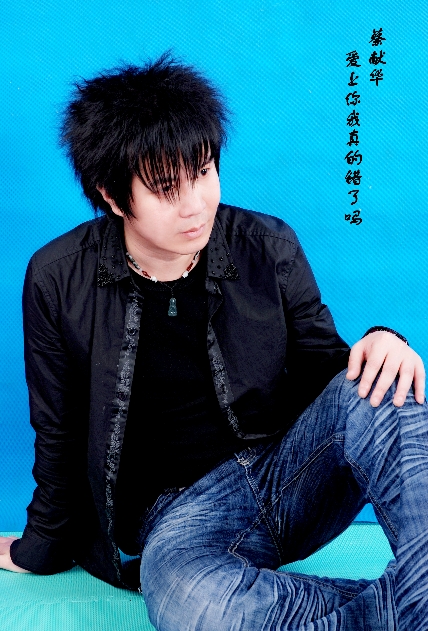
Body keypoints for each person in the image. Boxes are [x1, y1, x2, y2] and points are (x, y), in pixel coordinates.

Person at [0, 52, 426, 630]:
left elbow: (330, 373)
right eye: (166, 188)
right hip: (181, 523)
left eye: (203, 172)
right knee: (193, 604)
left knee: (391, 390)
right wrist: (41, 547)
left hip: (286, 474)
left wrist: (383, 342)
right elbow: (58, 430)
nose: (196, 204)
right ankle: (408, 608)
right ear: (113, 196)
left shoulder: (267, 245)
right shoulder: (58, 278)